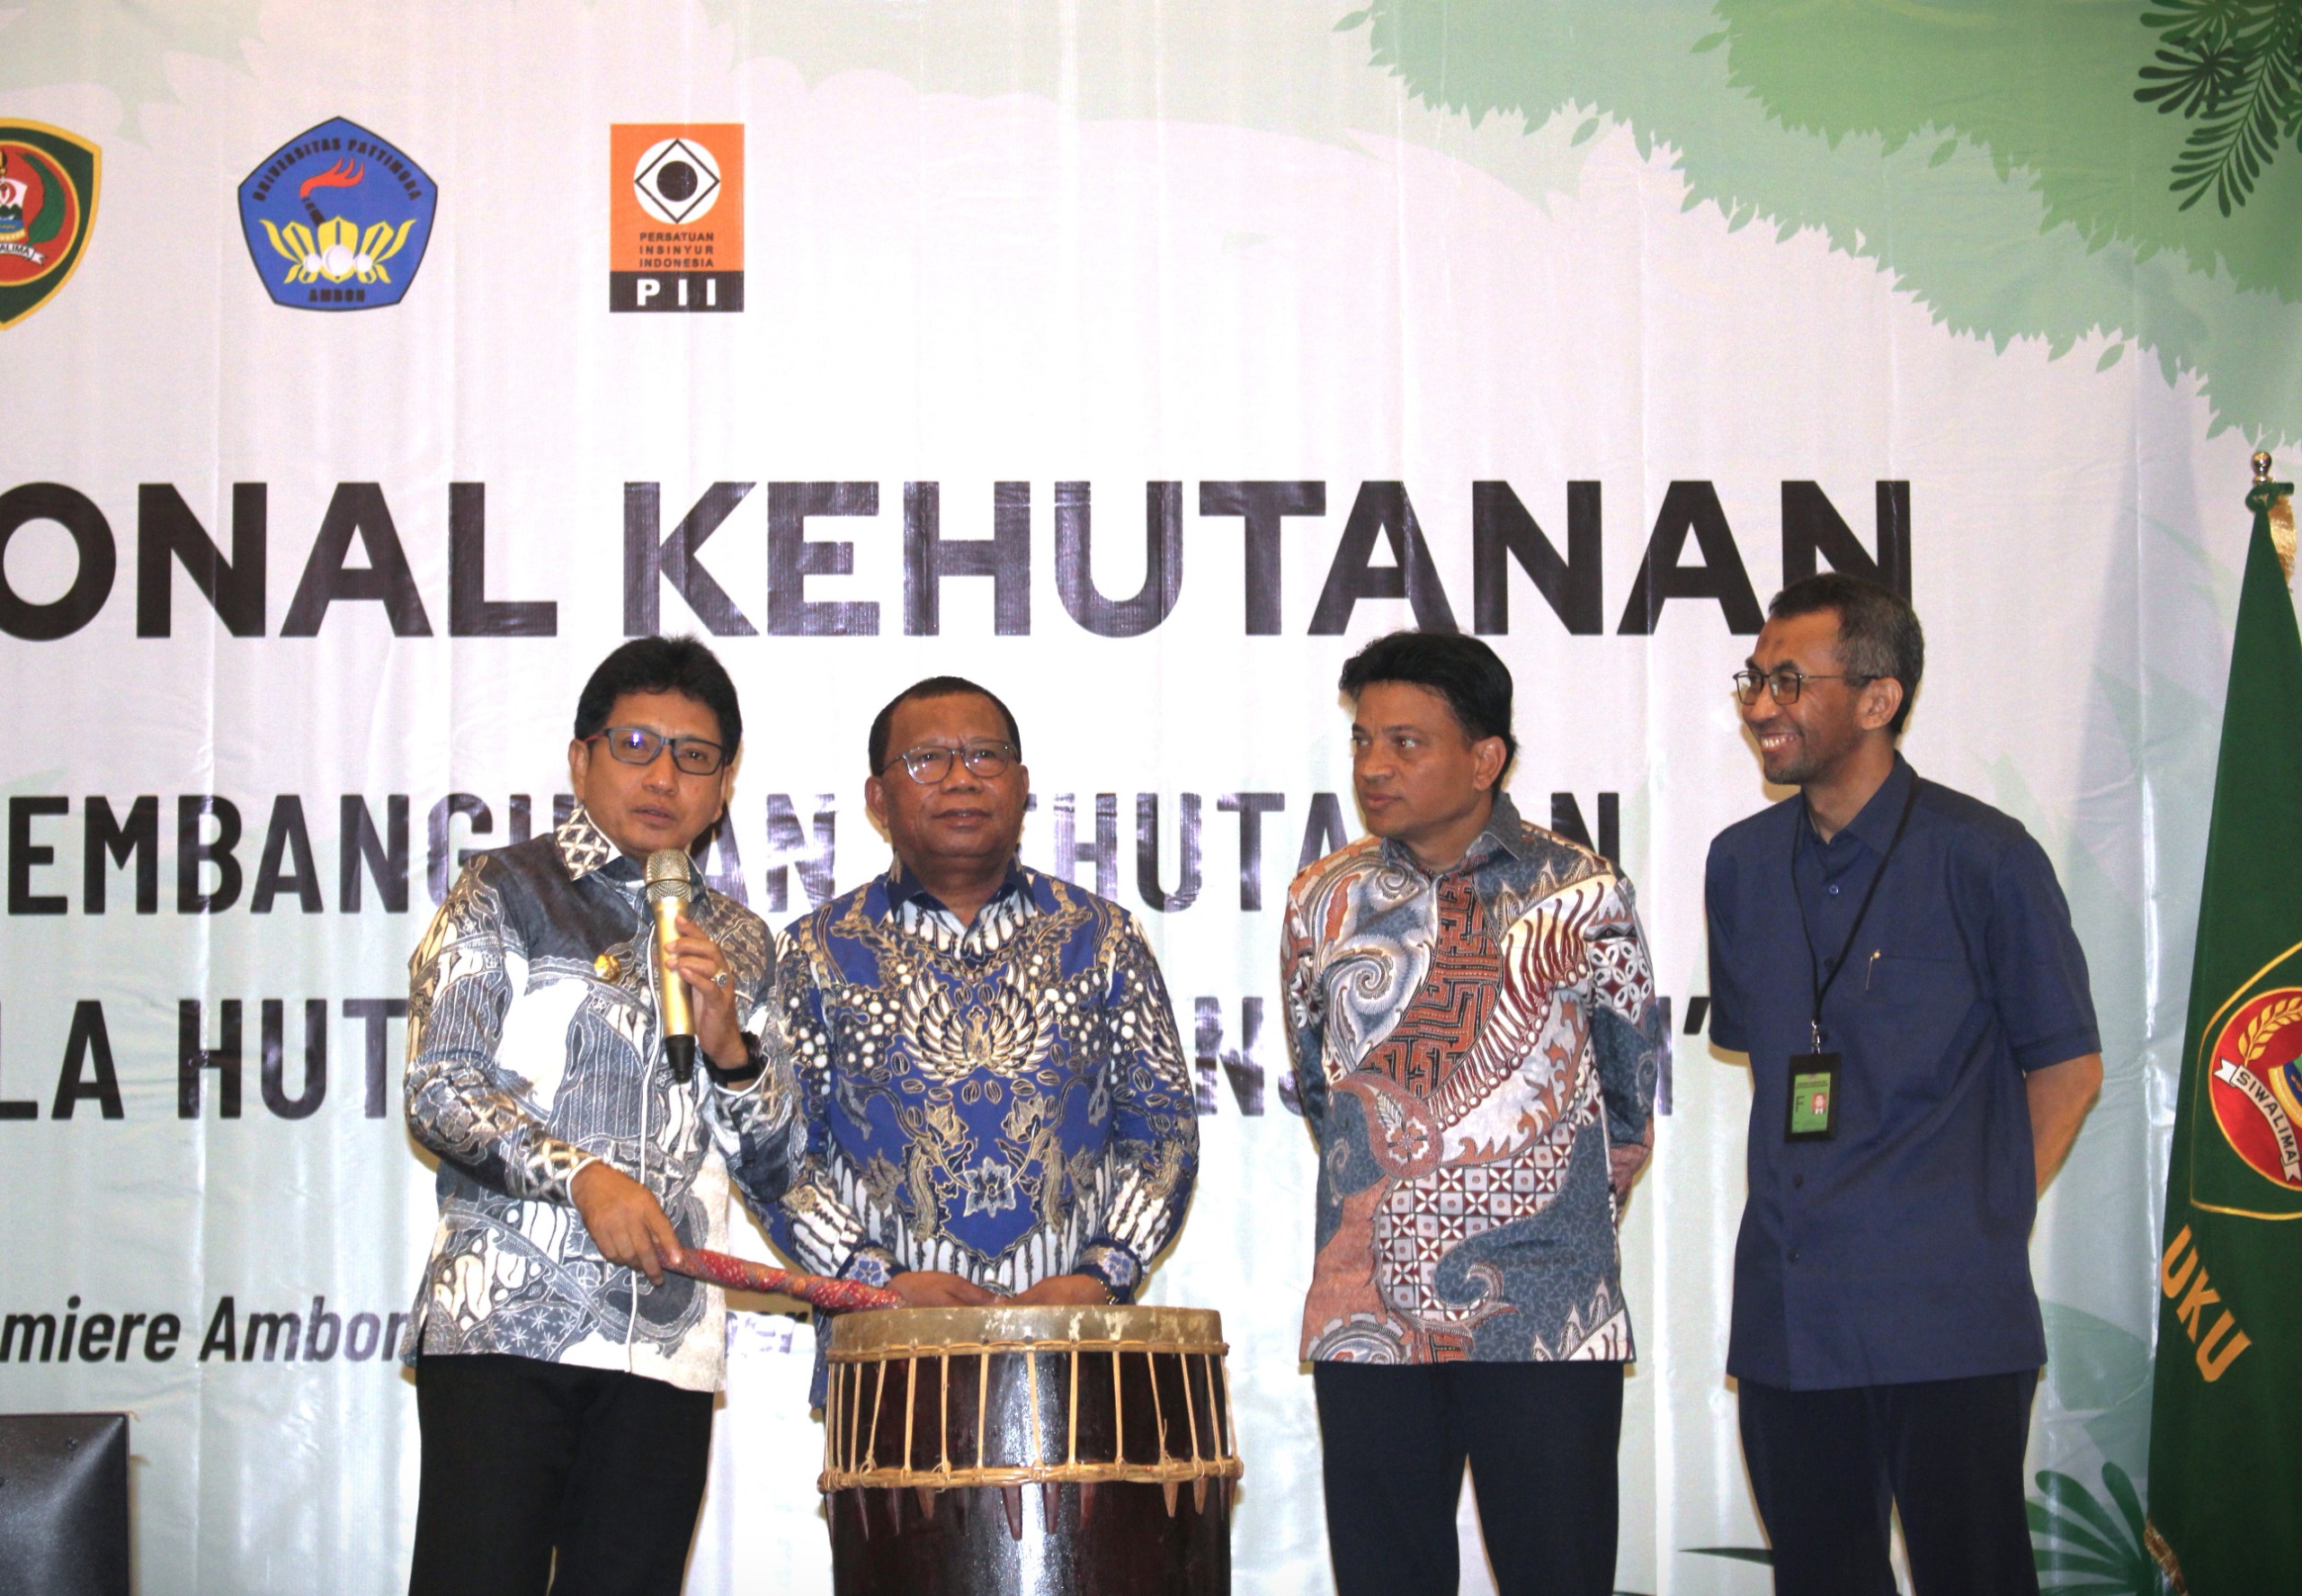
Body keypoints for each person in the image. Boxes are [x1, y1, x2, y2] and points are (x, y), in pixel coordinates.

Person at [1705, 573, 2103, 1596]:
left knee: (1974, 1573)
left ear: (1878, 698)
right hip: (1791, 1318)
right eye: (1755, 678)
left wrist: (1979, 1216)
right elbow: (1765, 1051)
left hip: (1947, 1317)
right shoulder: (1740, 865)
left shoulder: (1985, 858)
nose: (1760, 706)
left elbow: (2068, 1067)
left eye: (1789, 681)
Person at [400, 636, 799, 1596]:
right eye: (635, 745)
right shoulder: (505, 888)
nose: (663, 777)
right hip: (505, 1331)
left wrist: (730, 1050)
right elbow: (440, 1086)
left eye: (693, 756)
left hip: (666, 1346)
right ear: (581, 759)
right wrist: (583, 1175)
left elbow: (777, 1161)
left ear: (723, 785)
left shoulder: (743, 941)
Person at [1282, 630, 1666, 1596]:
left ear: (1485, 756)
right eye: (1363, 739)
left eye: (1405, 742)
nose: (1374, 765)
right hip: (1366, 1314)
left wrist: (1538, 1206)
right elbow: (1322, 1090)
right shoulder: (1322, 900)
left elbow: (1626, 1097)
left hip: (1546, 1311)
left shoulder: (1583, 894)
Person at [770, 675, 1197, 1340]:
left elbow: (1164, 1135)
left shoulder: (1102, 939)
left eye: (985, 756)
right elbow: (778, 1156)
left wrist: (1098, 1278)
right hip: (881, 1351)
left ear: (1022, 785)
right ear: (878, 798)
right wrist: (875, 1280)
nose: (961, 779)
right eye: (927, 760)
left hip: (1075, 1348)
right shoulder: (816, 952)